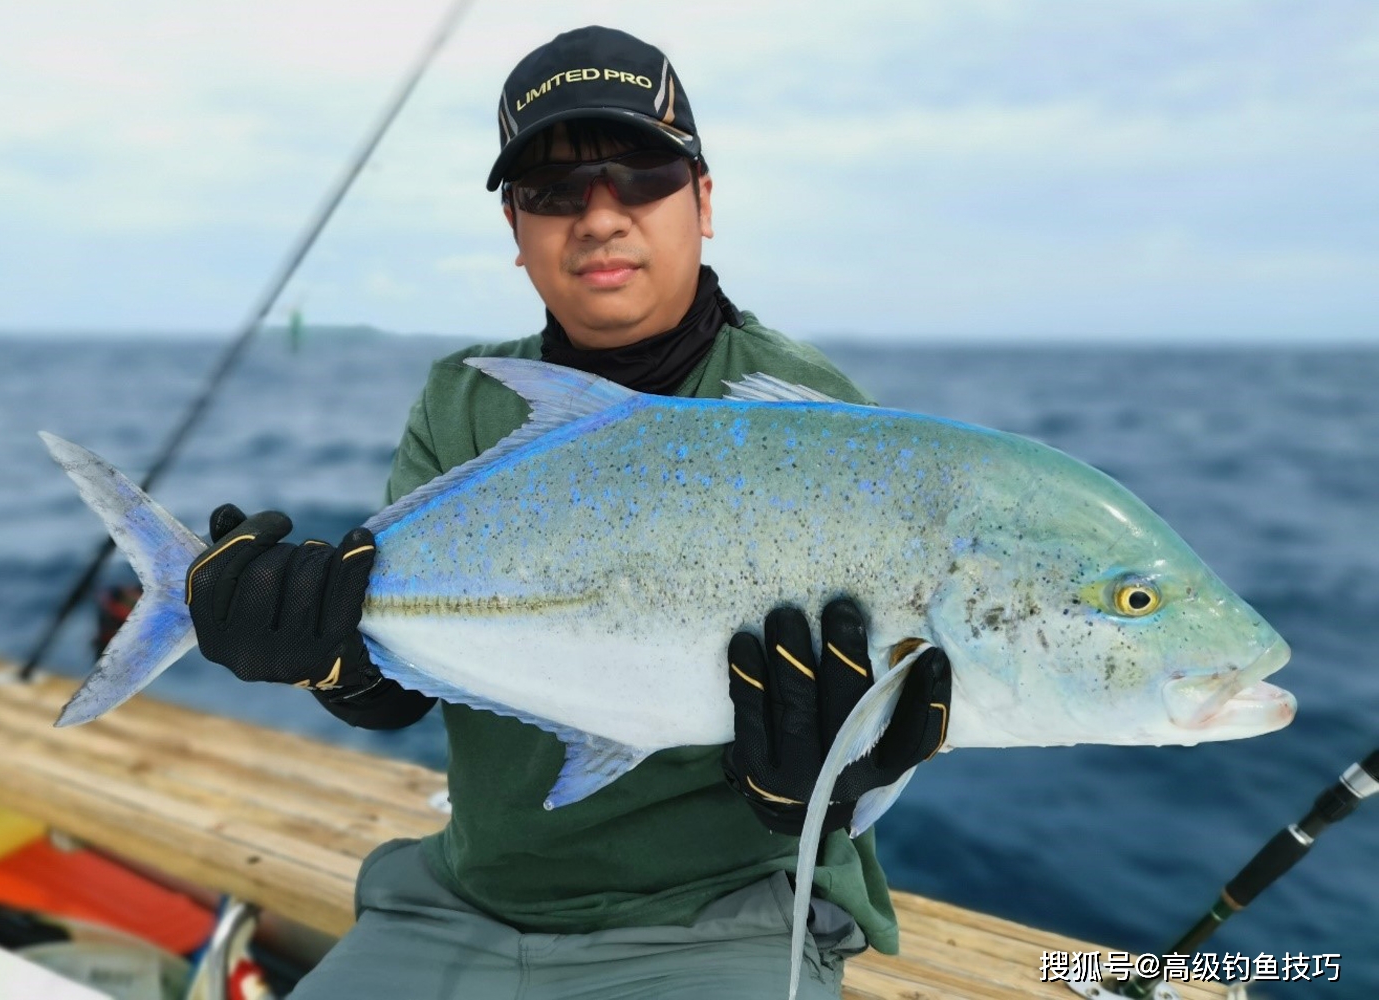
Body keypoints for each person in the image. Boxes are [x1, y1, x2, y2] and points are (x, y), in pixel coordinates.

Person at [185, 26, 951, 999]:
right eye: (553, 192)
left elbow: (887, 690)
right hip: (468, 895)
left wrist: (830, 783)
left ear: (704, 203)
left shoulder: (804, 405)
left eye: (640, 175)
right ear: (516, 230)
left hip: (726, 909)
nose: (599, 217)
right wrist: (327, 656)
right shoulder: (461, 400)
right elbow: (401, 678)